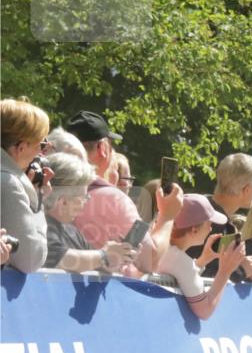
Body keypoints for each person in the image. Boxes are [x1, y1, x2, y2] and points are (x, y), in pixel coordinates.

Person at [66, 110, 180, 275]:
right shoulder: (114, 199)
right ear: (103, 148)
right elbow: (150, 260)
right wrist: (167, 217)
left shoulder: (48, 186)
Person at [43, 153, 135, 273]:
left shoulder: (72, 231)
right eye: (84, 197)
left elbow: (95, 265)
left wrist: (120, 255)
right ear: (63, 202)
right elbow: (60, 259)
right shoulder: (40, 226)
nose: (85, 202)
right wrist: (104, 255)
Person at [158, 194, 245, 320]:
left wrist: (202, 261)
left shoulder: (160, 245)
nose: (211, 229)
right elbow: (205, 311)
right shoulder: (181, 262)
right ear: (194, 230)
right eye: (209, 224)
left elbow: (182, 272)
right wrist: (225, 271)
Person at [186, 152, 252, 281]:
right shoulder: (209, 219)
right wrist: (241, 270)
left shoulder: (204, 210)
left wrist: (249, 272)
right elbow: (204, 273)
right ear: (246, 189)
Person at [0, 98, 50, 273]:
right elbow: (31, 259)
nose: (41, 154)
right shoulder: (8, 185)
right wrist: (37, 204)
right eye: (40, 145)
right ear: (21, 148)